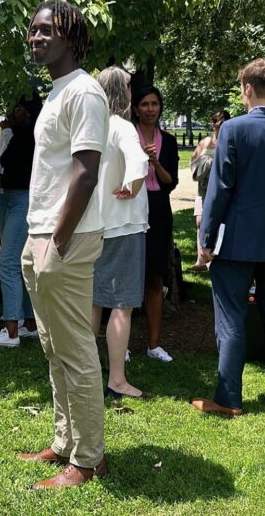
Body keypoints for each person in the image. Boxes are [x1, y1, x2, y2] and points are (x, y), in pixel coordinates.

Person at [16, 0, 108, 488]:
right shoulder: (56, 92)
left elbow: (86, 173)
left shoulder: (86, 93)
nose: (36, 37)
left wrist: (57, 238)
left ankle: (89, 459)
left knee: (75, 350)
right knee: (54, 347)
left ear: (71, 36)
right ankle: (65, 441)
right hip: (41, 234)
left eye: (47, 30)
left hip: (64, 238)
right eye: (32, 30)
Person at [191, 58, 265, 417]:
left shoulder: (232, 130)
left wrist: (206, 237)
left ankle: (228, 398)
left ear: (247, 89)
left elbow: (220, 188)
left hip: (238, 239)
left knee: (231, 317)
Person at [92, 66, 150, 399]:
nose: (132, 92)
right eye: (128, 86)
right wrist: (132, 185)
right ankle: (116, 379)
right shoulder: (122, 127)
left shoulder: (91, 126)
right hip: (123, 225)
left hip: (93, 226)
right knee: (122, 304)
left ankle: (85, 373)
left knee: (93, 302)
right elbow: (138, 164)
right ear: (120, 91)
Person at [0, 94, 42, 347]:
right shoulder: (16, 135)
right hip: (9, 199)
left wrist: (2, 181)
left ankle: (11, 330)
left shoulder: (34, 138)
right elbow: (3, 161)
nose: (8, 114)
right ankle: (28, 323)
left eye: (14, 109)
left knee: (8, 264)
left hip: (22, 201)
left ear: (25, 112)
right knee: (21, 263)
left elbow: (30, 176)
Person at [132, 85, 179, 362]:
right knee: (128, 275)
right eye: (145, 104)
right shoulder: (127, 136)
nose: (150, 109)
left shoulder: (169, 142)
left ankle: (153, 344)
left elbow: (169, 182)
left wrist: (154, 162)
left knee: (154, 278)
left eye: (155, 104)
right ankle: (121, 343)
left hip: (158, 209)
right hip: (131, 207)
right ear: (136, 109)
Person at [189, 110, 230, 272]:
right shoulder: (205, 142)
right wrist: (208, 163)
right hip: (203, 189)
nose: (218, 124)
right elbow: (193, 163)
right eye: (216, 121)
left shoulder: (229, 142)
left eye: (222, 121)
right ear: (212, 124)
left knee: (219, 223)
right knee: (200, 221)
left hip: (221, 190)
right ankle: (200, 260)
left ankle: (215, 257)